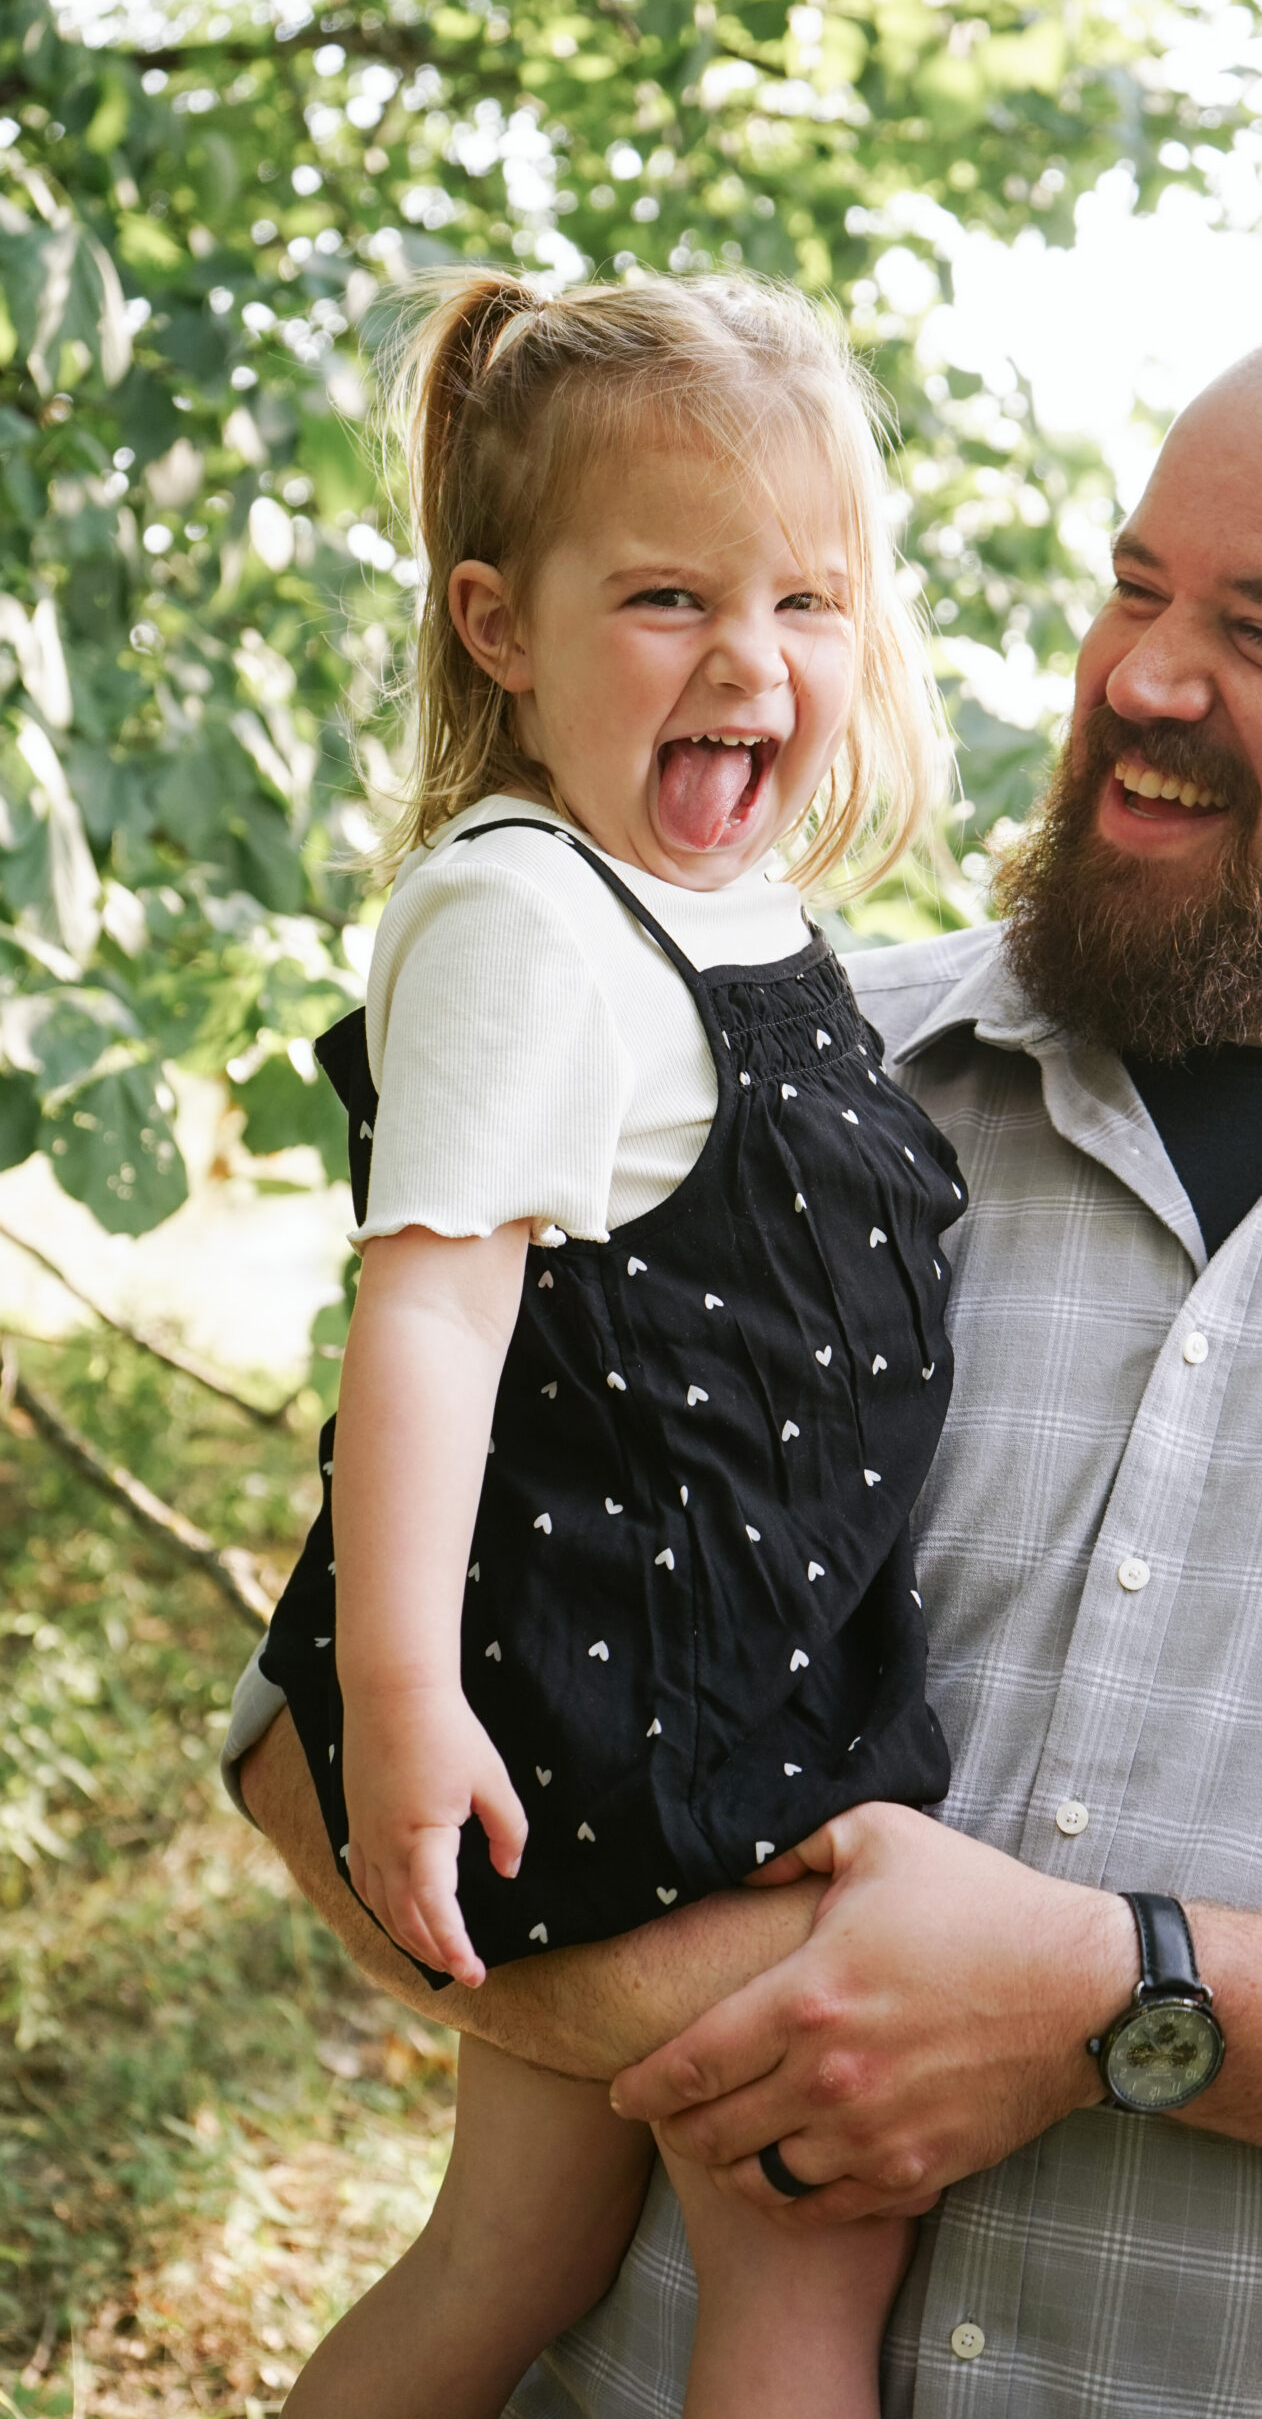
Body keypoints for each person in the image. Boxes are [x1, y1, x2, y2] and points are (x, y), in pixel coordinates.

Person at [228, 310, 1262, 2419]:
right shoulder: (760, 1066)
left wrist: (1118, 1997)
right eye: (1132, 588)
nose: (1138, 678)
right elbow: (342, 1709)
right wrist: (751, 2026)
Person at [254, 267, 971, 2419]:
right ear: (499, 625)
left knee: (515, 2247)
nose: (749, 659)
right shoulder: (527, 913)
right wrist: (393, 1705)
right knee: (806, 2234)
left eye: (808, 603)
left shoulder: (737, 921)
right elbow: (434, 1310)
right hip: (611, 1712)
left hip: (724, 1682)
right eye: (666, 595)